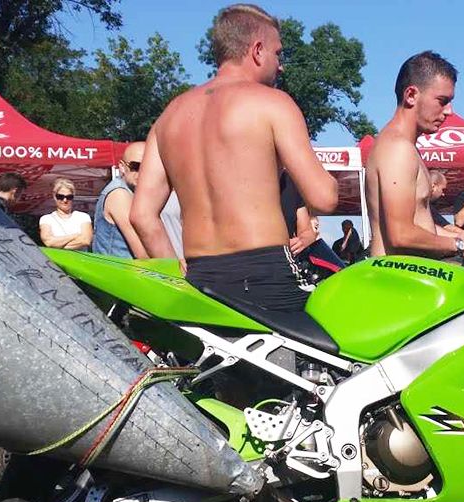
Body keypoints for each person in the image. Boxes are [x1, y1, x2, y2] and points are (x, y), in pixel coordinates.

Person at [129, 4, 337, 312]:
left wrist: (176, 274)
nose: (281, 67)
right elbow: (324, 199)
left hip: (200, 277)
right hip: (266, 276)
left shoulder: (169, 116)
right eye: (278, 54)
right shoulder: (273, 104)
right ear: (257, 50)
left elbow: (141, 215)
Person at [364, 52, 464, 260]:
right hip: (396, 277)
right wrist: (460, 244)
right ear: (411, 95)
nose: (449, 111)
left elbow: (419, 225)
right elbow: (400, 235)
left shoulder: (405, 147)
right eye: (442, 101)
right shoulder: (398, 149)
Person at [92, 143, 149, 258]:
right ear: (122, 167)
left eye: (147, 167)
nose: (142, 172)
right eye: (136, 166)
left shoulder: (132, 193)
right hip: (118, 267)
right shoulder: (119, 194)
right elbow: (142, 252)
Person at [39, 178, 92, 251]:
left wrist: (57, 245)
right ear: (54, 196)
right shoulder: (46, 219)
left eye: (69, 197)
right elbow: (49, 242)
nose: (65, 200)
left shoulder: (83, 217)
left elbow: (86, 240)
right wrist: (75, 235)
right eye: (60, 197)